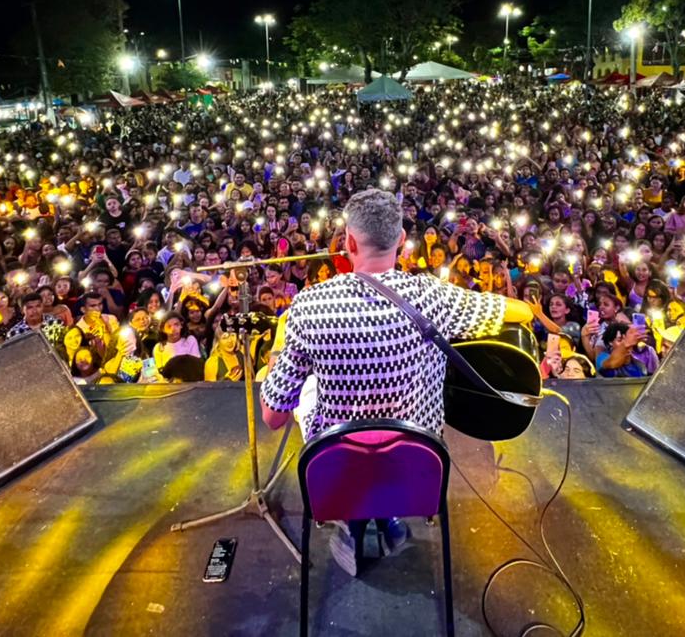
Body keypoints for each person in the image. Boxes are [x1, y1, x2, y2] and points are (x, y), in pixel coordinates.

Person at [195, 188, 539, 578]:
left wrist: (279, 353)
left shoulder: (309, 306)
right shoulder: (432, 295)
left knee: (309, 393)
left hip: (338, 468)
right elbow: (522, 311)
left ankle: (351, 520)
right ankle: (389, 514)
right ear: (403, 243)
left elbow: (273, 417)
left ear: (348, 243)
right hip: (417, 469)